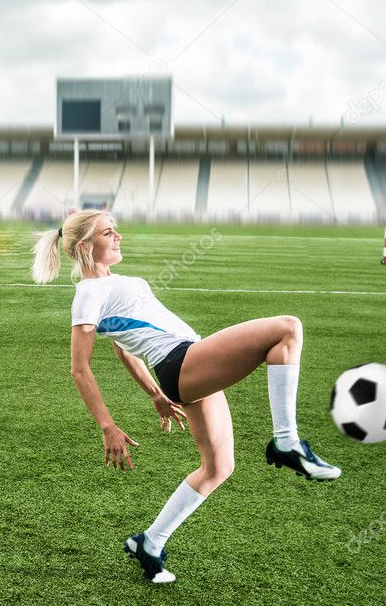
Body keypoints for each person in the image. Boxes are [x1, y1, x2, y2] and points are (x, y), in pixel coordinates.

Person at [31, 209, 341, 584]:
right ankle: (287, 442)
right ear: (84, 246)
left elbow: (122, 348)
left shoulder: (112, 284)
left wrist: (157, 395)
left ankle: (149, 541)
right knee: (287, 329)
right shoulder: (88, 293)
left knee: (218, 468)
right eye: (109, 232)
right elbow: (79, 368)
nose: (118, 237)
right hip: (183, 361)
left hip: (182, 371)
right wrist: (107, 425)